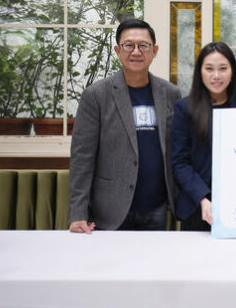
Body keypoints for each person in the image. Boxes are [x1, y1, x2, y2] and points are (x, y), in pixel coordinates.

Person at [68, 18, 181, 233]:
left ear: (154, 51)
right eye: (129, 45)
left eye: (143, 45)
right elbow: (82, 158)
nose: (136, 52)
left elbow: (176, 148)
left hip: (157, 207)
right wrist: (78, 213)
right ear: (118, 51)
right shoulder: (96, 95)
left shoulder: (170, 93)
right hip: (109, 210)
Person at [171, 42, 236, 231]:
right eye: (209, 69)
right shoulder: (185, 108)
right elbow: (180, 162)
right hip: (197, 206)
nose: (216, 75)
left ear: (232, 71)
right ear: (200, 72)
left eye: (223, 68)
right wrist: (202, 198)